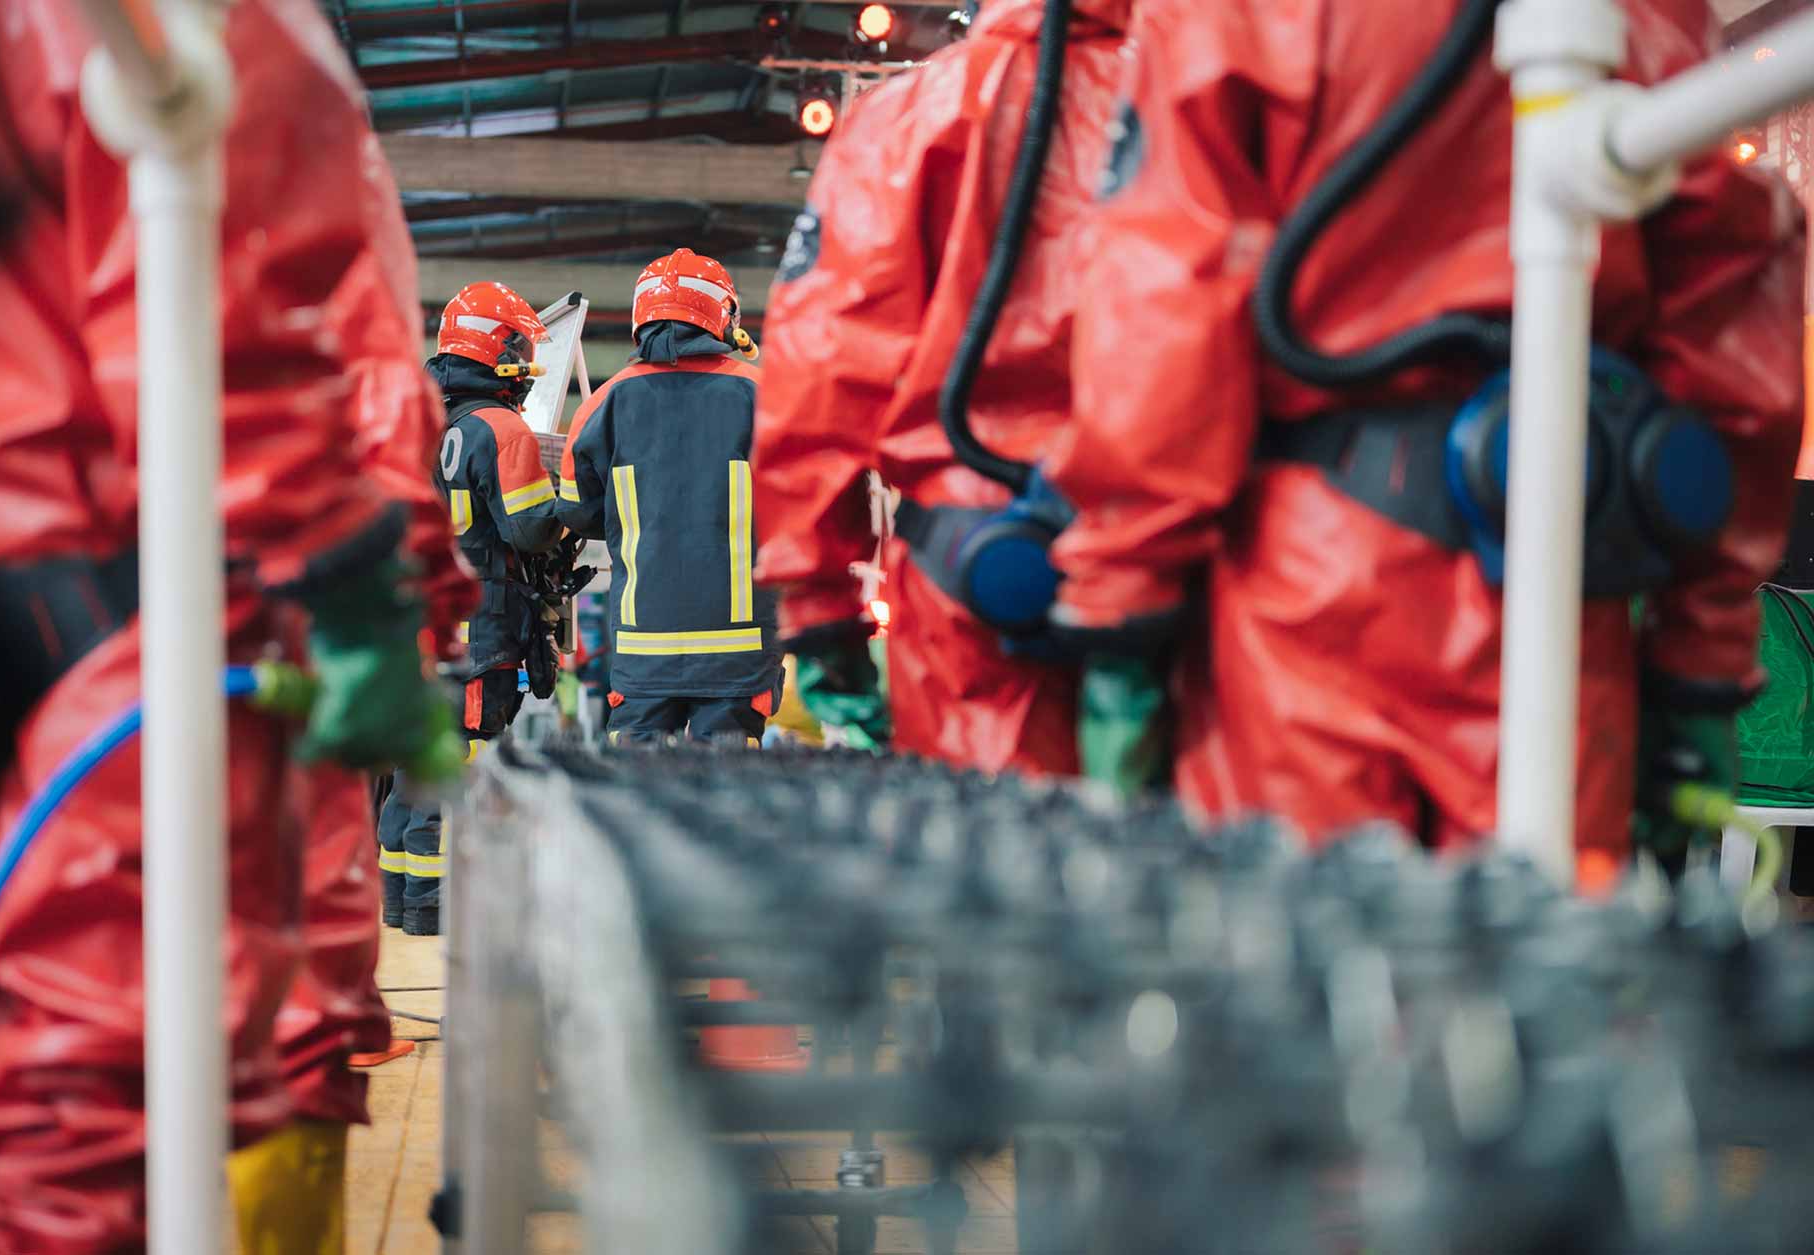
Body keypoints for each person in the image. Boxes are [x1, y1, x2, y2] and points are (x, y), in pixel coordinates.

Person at [1044, 0, 1803, 882]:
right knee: (1547, 970)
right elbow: (1729, 340)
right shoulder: (1646, 14)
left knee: (1291, 969)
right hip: (1561, 585)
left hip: (1308, 596)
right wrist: (1696, 665)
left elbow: (1161, 316)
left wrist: (1123, 623)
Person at [0, 1, 467, 1249]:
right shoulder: (215, 29)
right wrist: (355, 580)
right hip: (148, 629)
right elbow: (274, 312)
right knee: (106, 1103)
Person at [752, 0, 1132, 776]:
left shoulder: (909, 119)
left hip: (979, 572)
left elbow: (820, 374)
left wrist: (821, 608)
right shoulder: (1216, 94)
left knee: (986, 868)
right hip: (1194, 559)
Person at [377, 281, 568, 935]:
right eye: (517, 344)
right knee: (449, 766)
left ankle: (401, 901)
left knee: (411, 769)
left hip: (415, 625)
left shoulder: (422, 425)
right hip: (478, 626)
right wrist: (569, 499)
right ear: (494, 348)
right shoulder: (501, 428)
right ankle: (433, 907)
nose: (525, 359)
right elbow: (529, 529)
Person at [540, 249, 783, 743]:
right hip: (738, 650)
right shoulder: (766, 400)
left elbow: (580, 515)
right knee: (729, 797)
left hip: (641, 645)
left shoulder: (600, 405)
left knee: (635, 802)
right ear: (724, 316)